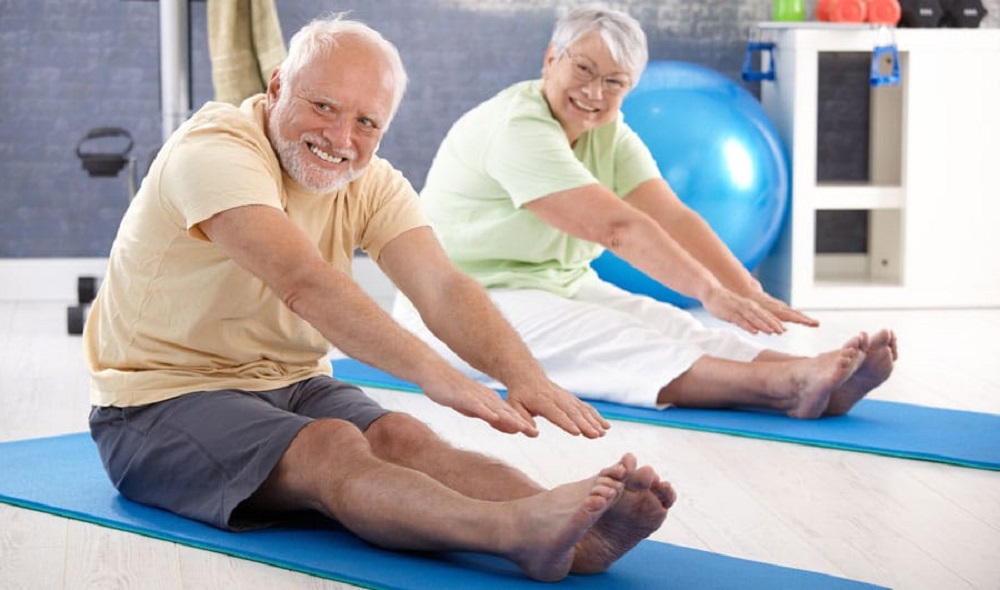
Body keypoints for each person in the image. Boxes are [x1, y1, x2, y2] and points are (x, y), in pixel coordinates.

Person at [83, 15, 674, 582]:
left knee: (404, 438)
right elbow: (303, 281)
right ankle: (514, 532)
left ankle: (579, 533)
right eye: (323, 107)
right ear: (277, 86)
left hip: (289, 384)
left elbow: (441, 286)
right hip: (157, 405)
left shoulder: (371, 181)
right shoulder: (215, 151)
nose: (341, 138)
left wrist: (524, 375)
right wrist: (435, 373)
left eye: (367, 123)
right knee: (332, 444)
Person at [393, 6, 898, 418]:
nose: (595, 93)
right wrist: (707, 291)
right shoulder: (518, 129)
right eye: (583, 70)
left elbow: (673, 216)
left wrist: (746, 290)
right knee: (612, 339)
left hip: (549, 285)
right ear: (552, 58)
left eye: (614, 83)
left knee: (668, 322)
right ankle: (782, 387)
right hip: (451, 305)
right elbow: (617, 228)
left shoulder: (607, 133)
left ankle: (816, 376)